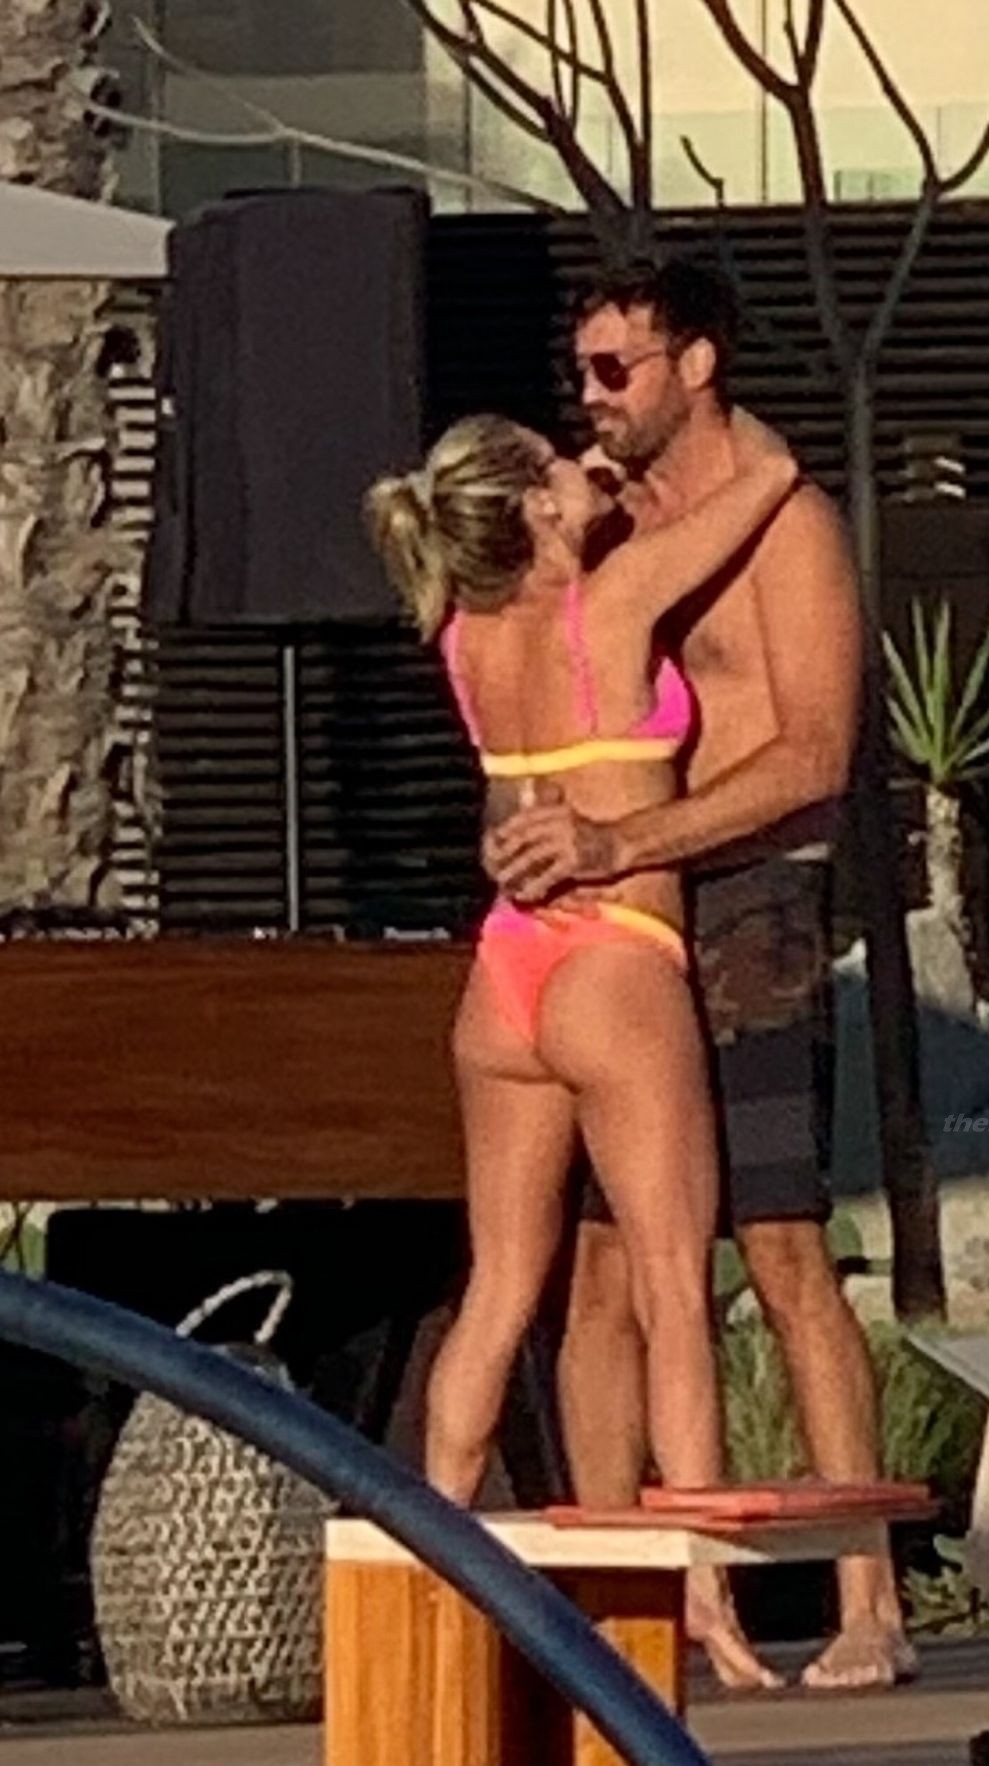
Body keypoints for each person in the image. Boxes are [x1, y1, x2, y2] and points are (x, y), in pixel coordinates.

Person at [486, 259, 917, 1693]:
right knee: (603, 1266)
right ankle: (629, 1605)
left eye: (616, 370)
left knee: (780, 1248)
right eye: (582, 372)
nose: (591, 397)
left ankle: (868, 1601)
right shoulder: (602, 527)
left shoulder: (785, 525)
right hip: (613, 913)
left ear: (698, 364)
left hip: (749, 897)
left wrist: (628, 835)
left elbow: (814, 753)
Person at [365, 408, 798, 1533]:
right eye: (558, 456)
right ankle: (707, 1591)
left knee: (500, 1285)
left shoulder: (464, 632)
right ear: (534, 505)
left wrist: (594, 484)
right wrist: (682, 397)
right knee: (672, 1286)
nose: (582, 453)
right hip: (615, 955)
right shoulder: (610, 603)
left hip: (507, 966)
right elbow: (769, 473)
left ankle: (436, 1545)